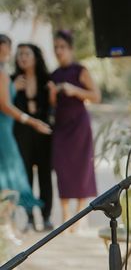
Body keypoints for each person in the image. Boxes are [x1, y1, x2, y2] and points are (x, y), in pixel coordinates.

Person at [50, 30, 101, 225]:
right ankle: (64, 215)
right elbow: (52, 105)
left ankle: (79, 215)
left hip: (79, 125)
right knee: (62, 168)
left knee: (81, 168)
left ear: (70, 48)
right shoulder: (53, 74)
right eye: (55, 47)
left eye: (62, 47)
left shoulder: (81, 70)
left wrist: (74, 90)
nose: (58, 51)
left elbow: (96, 96)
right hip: (61, 126)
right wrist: (52, 94)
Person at [0, 34, 51, 216]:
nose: (17, 54)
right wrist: (32, 121)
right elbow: (5, 104)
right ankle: (8, 225)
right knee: (9, 176)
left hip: (9, 129)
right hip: (7, 131)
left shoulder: (44, 79)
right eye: (11, 47)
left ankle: (9, 224)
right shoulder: (4, 74)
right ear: (3, 47)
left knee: (9, 175)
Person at [12, 43, 56, 231]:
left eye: (26, 53)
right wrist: (13, 88)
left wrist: (53, 96)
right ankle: (29, 217)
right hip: (22, 133)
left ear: (35, 57)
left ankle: (45, 217)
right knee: (26, 176)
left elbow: (53, 110)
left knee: (45, 175)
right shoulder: (12, 80)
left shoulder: (47, 80)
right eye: (19, 54)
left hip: (44, 133)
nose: (22, 57)